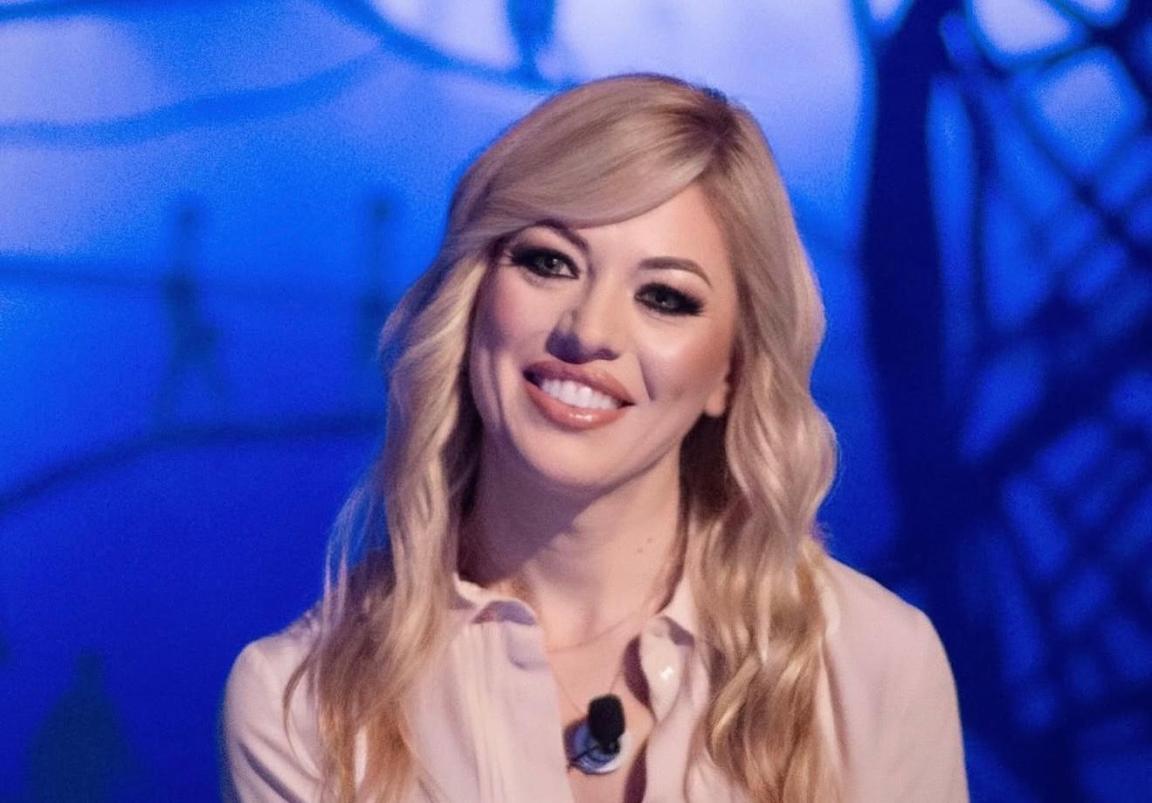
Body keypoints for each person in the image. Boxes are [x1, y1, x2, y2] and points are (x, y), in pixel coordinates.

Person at [222, 73, 968, 802]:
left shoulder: (873, 662)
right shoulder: (301, 708)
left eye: (664, 297)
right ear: (471, 298)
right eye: (550, 262)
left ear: (730, 372)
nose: (588, 331)